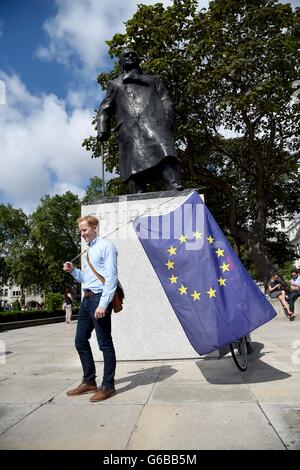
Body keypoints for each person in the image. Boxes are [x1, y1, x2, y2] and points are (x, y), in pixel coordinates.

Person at [97, 48, 184, 194]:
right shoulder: (115, 84)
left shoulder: (153, 80)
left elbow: (166, 99)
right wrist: (102, 127)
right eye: (126, 55)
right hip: (130, 129)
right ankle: (137, 191)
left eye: (133, 54)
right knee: (134, 164)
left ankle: (173, 183)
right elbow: (105, 108)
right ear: (121, 62)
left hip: (156, 123)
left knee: (165, 151)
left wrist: (169, 117)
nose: (130, 56)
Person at [63, 215, 118, 402]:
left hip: (99, 299)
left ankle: (108, 386)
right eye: (80, 231)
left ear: (95, 227)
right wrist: (73, 271)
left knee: (104, 344)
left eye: (84, 230)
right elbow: (86, 279)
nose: (82, 234)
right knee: (80, 341)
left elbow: (111, 278)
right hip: (86, 300)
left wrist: (103, 304)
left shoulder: (106, 246)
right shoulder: (89, 251)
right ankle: (89, 381)